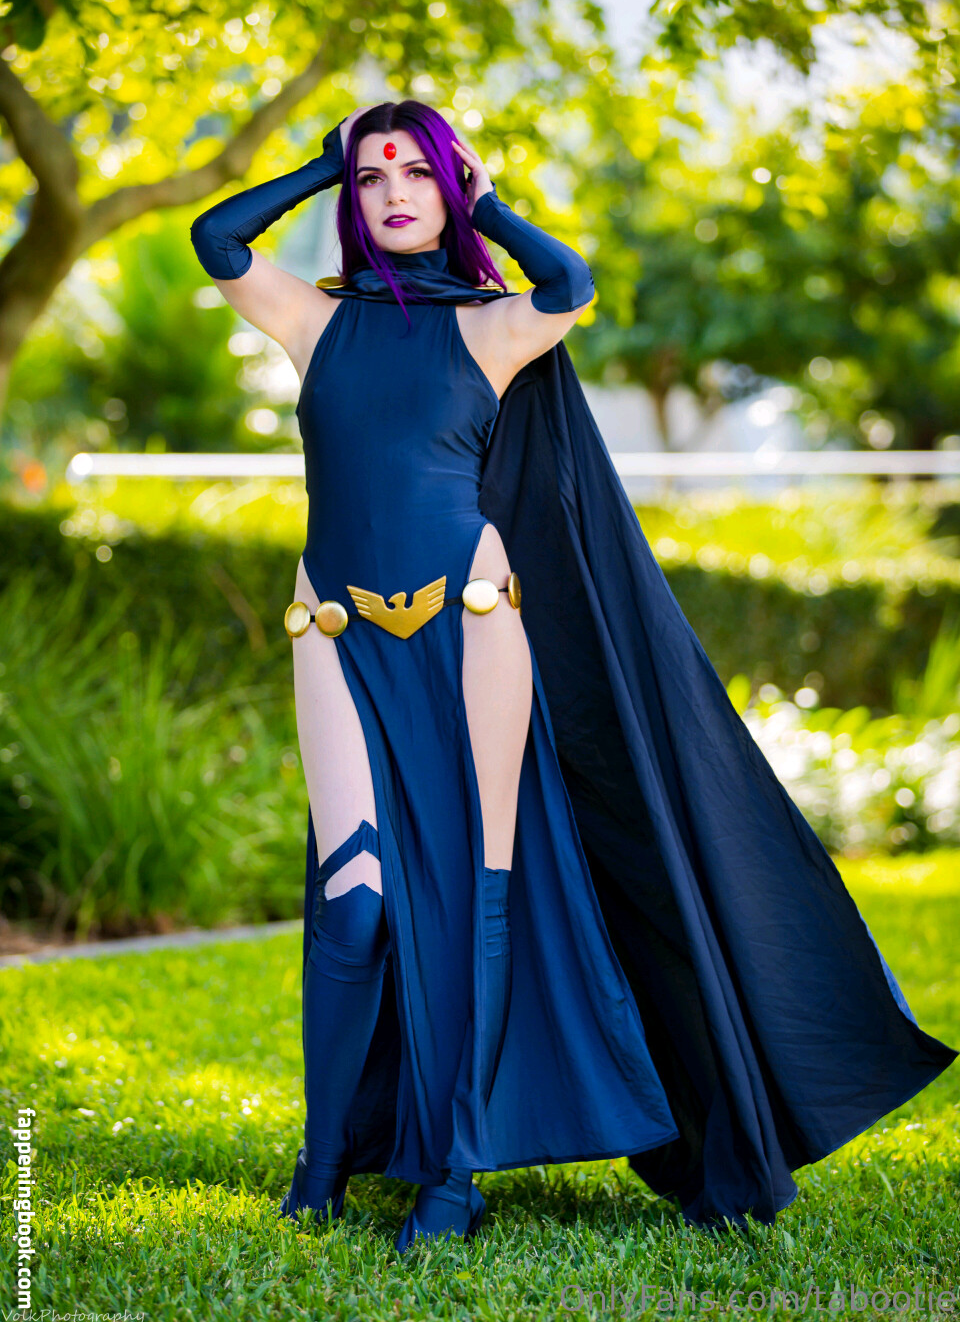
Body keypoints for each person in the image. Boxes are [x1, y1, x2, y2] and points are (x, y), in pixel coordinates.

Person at [190, 99, 957, 1251]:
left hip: (473, 625)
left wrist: (487, 197)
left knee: (477, 896)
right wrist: (320, 160)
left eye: (417, 174)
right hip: (334, 632)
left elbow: (570, 283)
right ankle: (323, 1163)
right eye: (374, 177)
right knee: (355, 905)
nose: (394, 193)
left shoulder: (496, 327)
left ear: (449, 189)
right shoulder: (314, 320)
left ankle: (456, 1171)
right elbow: (216, 238)